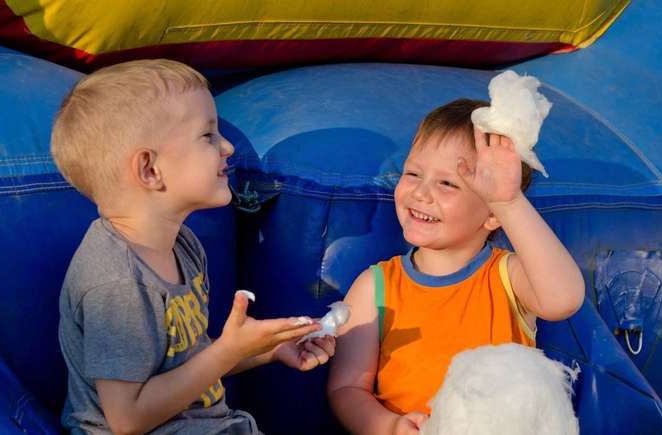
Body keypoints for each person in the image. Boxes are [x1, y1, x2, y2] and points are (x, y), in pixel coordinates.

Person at [52, 59, 335, 435]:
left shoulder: (182, 246)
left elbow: (187, 367)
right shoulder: (117, 280)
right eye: (208, 135)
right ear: (150, 169)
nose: (228, 147)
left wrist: (266, 349)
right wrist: (228, 350)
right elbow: (126, 420)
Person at [327, 99, 585, 435]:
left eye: (447, 183)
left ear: (492, 214)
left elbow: (563, 299)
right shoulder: (374, 287)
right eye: (413, 174)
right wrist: (389, 426)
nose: (421, 193)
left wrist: (508, 202)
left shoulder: (507, 277)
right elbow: (346, 387)